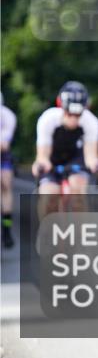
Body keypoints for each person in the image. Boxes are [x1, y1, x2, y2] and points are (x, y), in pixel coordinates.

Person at [31, 81, 98, 215]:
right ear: (61, 107)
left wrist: (96, 164)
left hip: (76, 157)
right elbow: (43, 154)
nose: (73, 119)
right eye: (69, 114)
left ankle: (81, 233)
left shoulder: (91, 122)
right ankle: (46, 231)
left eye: (78, 115)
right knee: (49, 194)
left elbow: (91, 155)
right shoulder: (48, 119)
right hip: (52, 157)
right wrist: (42, 163)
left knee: (78, 189)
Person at [1, 91, 16, 248]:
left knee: (5, 184)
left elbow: (4, 145)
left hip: (2, 155)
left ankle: (6, 229)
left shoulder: (8, 116)